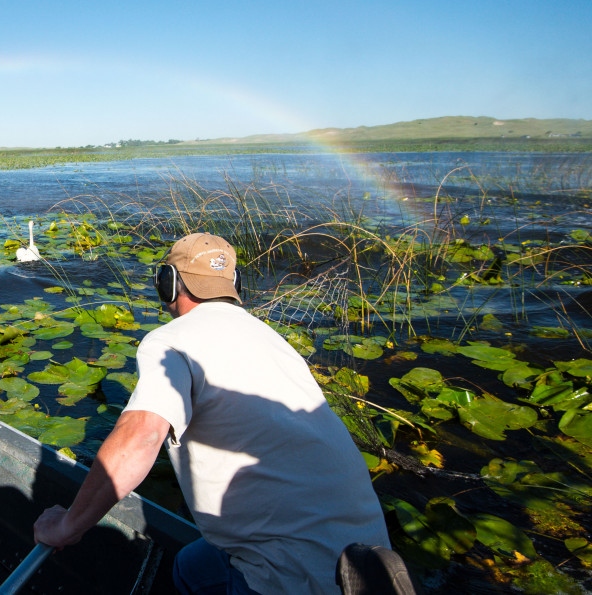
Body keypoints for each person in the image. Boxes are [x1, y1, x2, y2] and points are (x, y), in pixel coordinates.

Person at [33, 233, 391, 594]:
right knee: (191, 566)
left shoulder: (170, 340)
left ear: (167, 284)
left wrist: (69, 524)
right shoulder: (270, 338)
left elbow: (142, 434)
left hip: (291, 576)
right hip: (370, 561)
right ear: (232, 284)